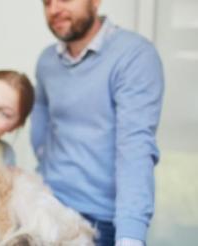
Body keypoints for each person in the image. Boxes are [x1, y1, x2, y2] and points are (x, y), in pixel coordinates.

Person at [32, 0, 164, 245]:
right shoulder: (46, 61)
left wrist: (131, 237)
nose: (54, 9)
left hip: (99, 220)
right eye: (47, 2)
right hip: (46, 203)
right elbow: (41, 120)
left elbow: (135, 148)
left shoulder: (134, 55)